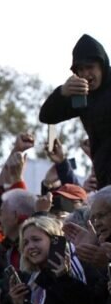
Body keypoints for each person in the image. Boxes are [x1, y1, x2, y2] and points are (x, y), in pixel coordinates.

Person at [39, 35, 111, 189]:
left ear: (102, 66)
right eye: (80, 69)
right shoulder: (81, 96)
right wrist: (63, 92)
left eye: (90, 67)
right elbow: (46, 115)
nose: (85, 74)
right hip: (105, 179)